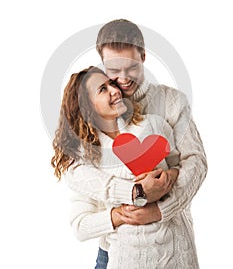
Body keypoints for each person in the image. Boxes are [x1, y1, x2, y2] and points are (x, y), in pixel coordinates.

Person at [58, 19, 207, 268]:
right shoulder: (92, 115)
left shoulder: (171, 103)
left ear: (144, 56)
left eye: (132, 67)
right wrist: (134, 195)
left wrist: (160, 208)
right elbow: (75, 171)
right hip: (115, 250)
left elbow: (196, 163)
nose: (123, 79)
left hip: (171, 244)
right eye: (114, 70)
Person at [52, 66, 181, 268]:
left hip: (168, 249)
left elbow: (180, 166)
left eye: (111, 84)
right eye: (102, 89)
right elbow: (80, 226)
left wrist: (171, 176)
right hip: (119, 255)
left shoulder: (153, 125)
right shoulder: (87, 157)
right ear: (87, 107)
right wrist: (121, 213)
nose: (115, 90)